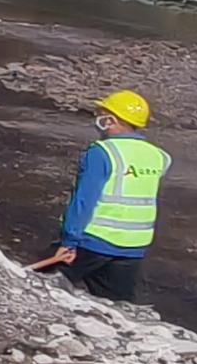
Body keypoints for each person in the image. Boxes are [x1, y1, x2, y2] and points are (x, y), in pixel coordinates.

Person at [44, 89, 167, 302]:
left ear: (112, 120)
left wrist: (70, 240)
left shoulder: (102, 152)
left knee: (42, 285)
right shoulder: (158, 156)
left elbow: (84, 200)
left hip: (94, 240)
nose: (98, 118)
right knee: (116, 303)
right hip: (134, 246)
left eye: (102, 114)